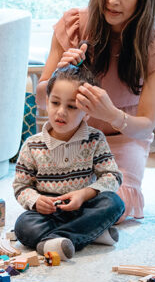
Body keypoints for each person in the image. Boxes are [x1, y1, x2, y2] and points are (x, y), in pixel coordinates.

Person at [36, 0, 155, 222]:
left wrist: (111, 115)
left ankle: (79, 222)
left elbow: (146, 124)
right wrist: (57, 76)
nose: (112, 1)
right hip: (70, 137)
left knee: (115, 203)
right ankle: (80, 224)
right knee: (52, 201)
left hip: (122, 141)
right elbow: (41, 100)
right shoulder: (75, 25)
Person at [14, 64, 125, 260]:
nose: (61, 112)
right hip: (48, 216)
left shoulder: (95, 139)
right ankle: (92, 233)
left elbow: (113, 176)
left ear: (87, 112)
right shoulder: (32, 145)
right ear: (47, 102)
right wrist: (37, 201)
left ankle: (54, 242)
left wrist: (84, 194)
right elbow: (21, 187)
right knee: (23, 226)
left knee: (114, 203)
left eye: (72, 106)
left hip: (84, 209)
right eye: (55, 103)